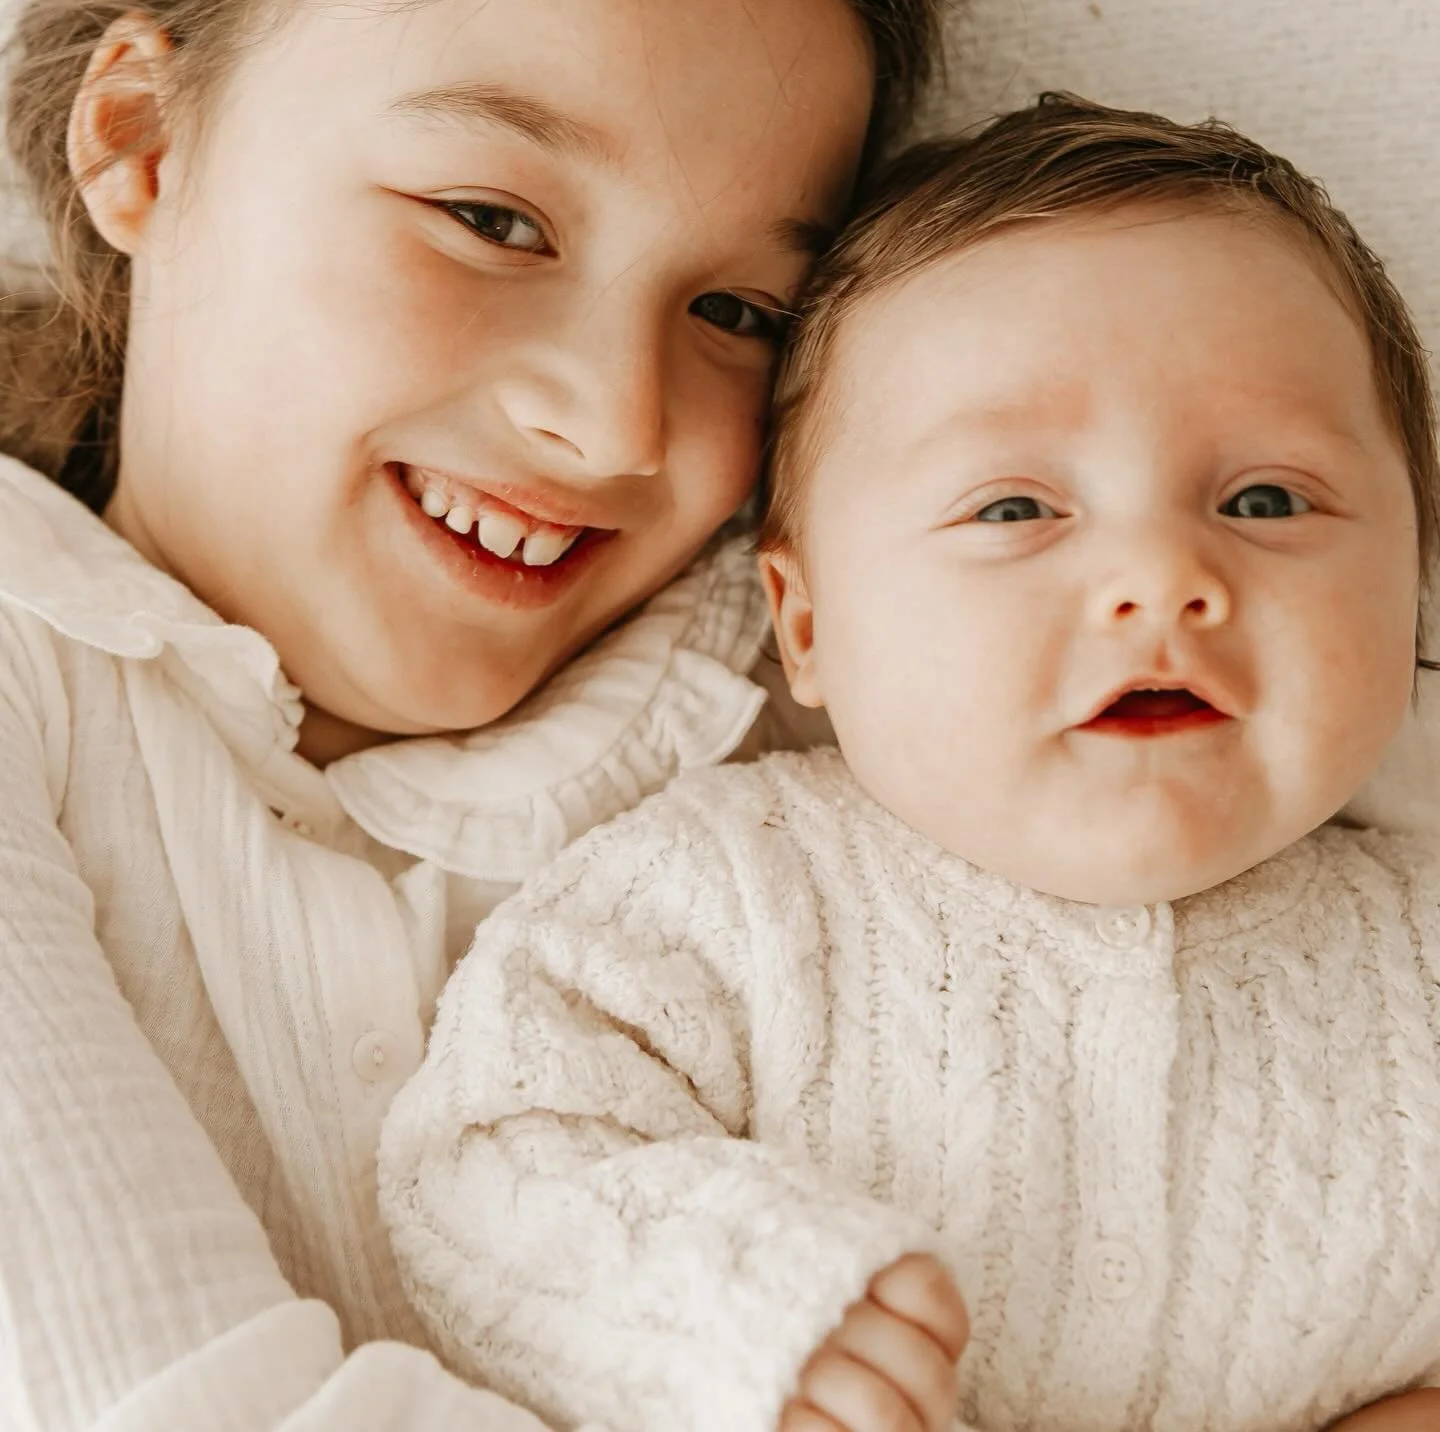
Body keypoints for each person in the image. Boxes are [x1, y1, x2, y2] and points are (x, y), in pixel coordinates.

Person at [0, 0, 973, 1425]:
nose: (615, 420)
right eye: (488, 217)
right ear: (137, 140)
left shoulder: (831, 709)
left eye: (742, 312)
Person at [380, 95, 1440, 1432]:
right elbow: (488, 1160)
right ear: (808, 624)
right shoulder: (726, 895)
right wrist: (750, 1313)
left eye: (1267, 500)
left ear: (1415, 581)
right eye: (1014, 508)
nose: (1165, 578)